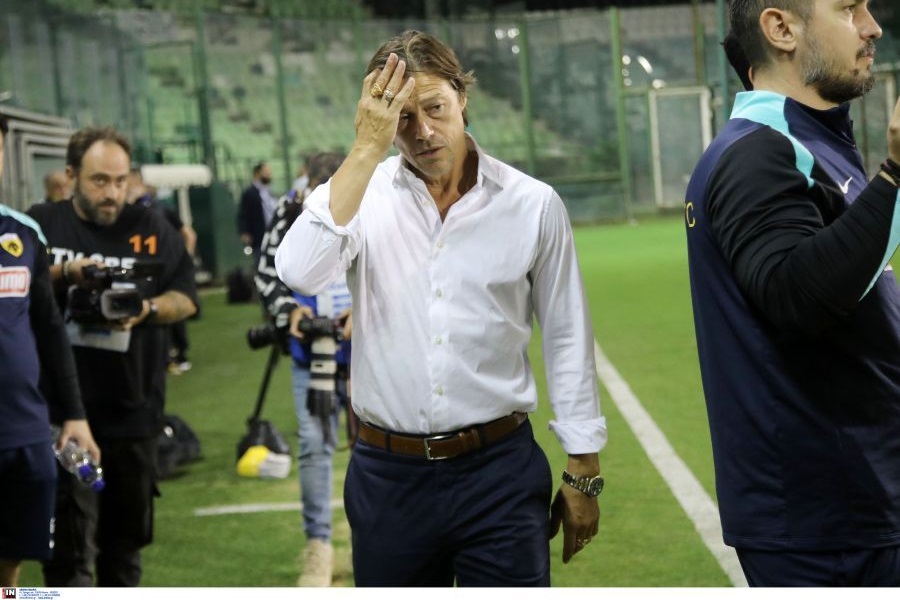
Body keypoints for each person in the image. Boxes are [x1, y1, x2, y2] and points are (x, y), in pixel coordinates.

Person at [275, 30, 606, 587]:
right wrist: (365, 149)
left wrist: (583, 466)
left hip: (500, 473)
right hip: (388, 478)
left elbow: (567, 335)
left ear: (462, 96)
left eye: (434, 108)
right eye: (402, 118)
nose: (423, 132)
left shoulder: (532, 204)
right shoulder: (360, 194)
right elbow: (299, 271)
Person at [684, 0, 900, 586]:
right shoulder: (756, 151)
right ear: (781, 29)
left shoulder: (808, 140)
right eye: (849, 9)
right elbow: (795, 295)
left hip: (854, 506)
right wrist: (895, 175)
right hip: (824, 528)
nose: (872, 26)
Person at [27, 126, 199, 587]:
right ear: (70, 176)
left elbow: (186, 298)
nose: (112, 193)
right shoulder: (41, 224)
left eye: (121, 181)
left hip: (133, 412)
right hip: (59, 414)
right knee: (66, 557)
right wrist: (66, 274)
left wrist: (146, 309)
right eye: (100, 180)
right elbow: (17, 285)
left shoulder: (152, 228)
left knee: (123, 552)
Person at [0, 116, 100, 588]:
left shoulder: (22, 235)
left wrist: (74, 414)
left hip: (24, 429)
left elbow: (49, 328)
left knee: (12, 562)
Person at [256, 151, 350, 587]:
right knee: (314, 445)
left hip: (369, 350)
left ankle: (369, 537)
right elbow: (266, 273)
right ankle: (318, 547)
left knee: (376, 446)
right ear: (308, 186)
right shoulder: (290, 209)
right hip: (310, 350)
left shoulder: (373, 200)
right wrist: (289, 309)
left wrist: (365, 310)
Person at [126, 167, 198, 374]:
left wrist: (184, 257)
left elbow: (188, 234)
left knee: (173, 310)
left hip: (164, 270)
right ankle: (165, 358)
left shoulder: (160, 209)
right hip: (142, 272)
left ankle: (180, 354)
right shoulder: (127, 210)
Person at [237, 161, 277, 263]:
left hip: (273, 234)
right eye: (265, 172)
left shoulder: (269, 191)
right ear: (257, 173)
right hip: (259, 236)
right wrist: (245, 232)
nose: (268, 174)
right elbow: (243, 214)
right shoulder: (250, 193)